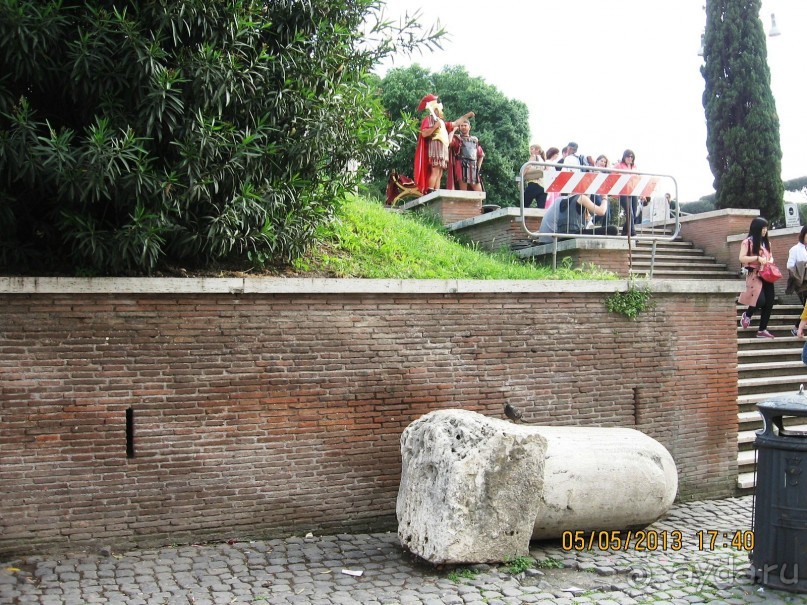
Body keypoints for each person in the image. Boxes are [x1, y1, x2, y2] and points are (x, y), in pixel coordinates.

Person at [413, 93, 474, 194]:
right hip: (436, 146)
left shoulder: (441, 122)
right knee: (435, 170)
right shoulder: (429, 119)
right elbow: (424, 134)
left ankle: (436, 192)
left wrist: (466, 116)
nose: (440, 110)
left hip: (443, 148)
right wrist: (434, 127)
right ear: (434, 109)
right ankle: (430, 192)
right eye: (438, 108)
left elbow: (455, 123)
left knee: (440, 172)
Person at [738, 217, 776, 339]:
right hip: (755, 274)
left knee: (769, 302)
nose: (764, 231)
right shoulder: (748, 242)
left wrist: (768, 260)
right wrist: (757, 259)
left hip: (767, 274)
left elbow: (771, 257)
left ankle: (762, 329)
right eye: (762, 228)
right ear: (756, 229)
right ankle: (747, 314)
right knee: (760, 300)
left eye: (766, 228)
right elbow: (742, 258)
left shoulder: (767, 243)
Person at [537, 193, 607, 244]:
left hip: (546, 240)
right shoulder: (581, 197)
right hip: (554, 240)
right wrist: (604, 198)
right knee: (612, 230)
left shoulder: (561, 200)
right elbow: (601, 211)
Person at [448, 121, 485, 192]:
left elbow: (481, 155)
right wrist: (453, 131)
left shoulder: (474, 140)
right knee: (463, 192)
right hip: (461, 166)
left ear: (469, 127)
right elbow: (449, 142)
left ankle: (479, 203)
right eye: (461, 126)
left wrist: (478, 168)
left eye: (465, 125)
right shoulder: (457, 139)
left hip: (473, 167)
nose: (463, 127)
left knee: (479, 192)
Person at [786, 225, 807, 335]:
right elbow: (790, 266)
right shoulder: (795, 249)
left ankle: (797, 327)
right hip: (801, 284)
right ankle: (797, 327)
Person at [614, 149, 639, 236]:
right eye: (628, 156)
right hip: (623, 192)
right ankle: (633, 233)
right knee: (630, 213)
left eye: (632, 156)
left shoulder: (635, 167)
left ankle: (624, 231)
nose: (630, 158)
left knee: (634, 214)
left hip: (633, 192)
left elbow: (637, 180)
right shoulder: (619, 165)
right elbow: (611, 176)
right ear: (624, 157)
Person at [523, 143, 547, 208]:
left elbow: (527, 167)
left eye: (532, 149)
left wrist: (521, 176)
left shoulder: (534, 156)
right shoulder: (543, 160)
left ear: (537, 150)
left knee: (523, 206)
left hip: (534, 183)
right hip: (543, 187)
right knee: (541, 210)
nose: (530, 151)